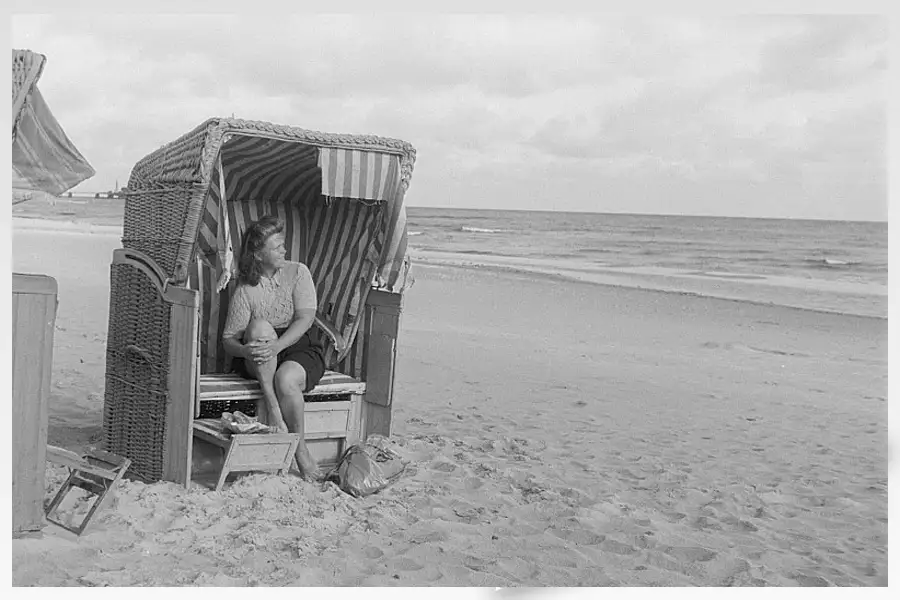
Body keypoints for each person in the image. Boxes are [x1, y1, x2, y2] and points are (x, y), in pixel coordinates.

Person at [221, 215, 326, 480]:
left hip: (297, 344)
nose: (284, 251)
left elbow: (305, 319)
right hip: (258, 355)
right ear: (257, 254)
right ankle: (273, 407)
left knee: (287, 379)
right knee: (258, 329)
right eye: (277, 247)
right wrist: (245, 351)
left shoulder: (298, 272)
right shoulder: (245, 289)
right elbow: (229, 339)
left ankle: (300, 450)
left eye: (283, 245)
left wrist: (278, 345)